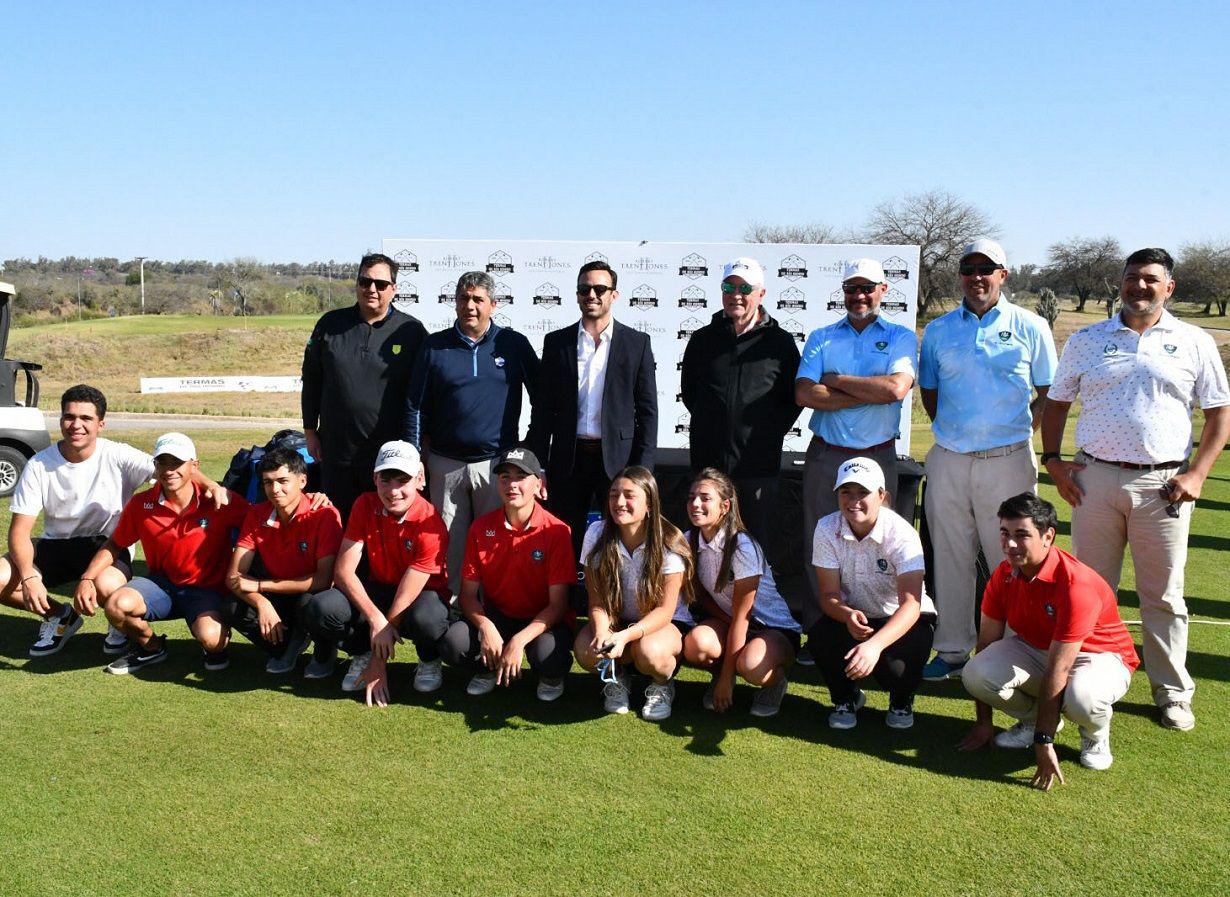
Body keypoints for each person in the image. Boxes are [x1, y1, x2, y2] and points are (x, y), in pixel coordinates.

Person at [1041, 247, 1229, 731]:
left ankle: (1171, 691)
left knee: (1163, 595)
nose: (1139, 286)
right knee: (1089, 592)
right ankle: (1080, 684)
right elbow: (1058, 403)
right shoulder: (1087, 339)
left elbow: (1218, 415)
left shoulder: (1193, 340)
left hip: (1163, 483)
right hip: (1094, 478)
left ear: (1169, 287)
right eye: (1131, 277)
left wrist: (1197, 475)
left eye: (1150, 279)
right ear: (1119, 283)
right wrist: (1054, 463)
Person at [917, 238, 1058, 682]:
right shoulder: (940, 330)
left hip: (1009, 461)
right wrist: (960, 436)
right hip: (950, 460)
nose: (977, 277)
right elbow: (931, 392)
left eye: (986, 268)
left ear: (1003, 274)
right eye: (969, 268)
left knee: (1014, 557)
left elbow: (1049, 393)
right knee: (951, 555)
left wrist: (1017, 436)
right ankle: (954, 649)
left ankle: (1015, 651)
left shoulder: (1031, 324)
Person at [3, 385, 225, 659]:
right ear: (61, 420)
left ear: (101, 424)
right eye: (69, 417)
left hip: (106, 546)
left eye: (86, 419)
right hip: (55, 544)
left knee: (108, 586)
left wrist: (211, 484)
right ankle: (60, 617)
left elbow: (172, 469)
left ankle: (119, 625)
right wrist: (28, 577)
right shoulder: (39, 464)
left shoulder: (118, 455)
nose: (76, 425)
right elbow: (19, 533)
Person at [959, 494, 1140, 785]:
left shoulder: (1075, 585)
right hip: (1037, 648)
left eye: (1022, 535)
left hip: (1098, 656)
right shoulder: (1003, 574)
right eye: (1005, 534)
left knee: (1081, 698)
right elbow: (986, 645)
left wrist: (1044, 743)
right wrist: (984, 723)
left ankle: (1095, 734)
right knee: (977, 672)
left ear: (1048, 536)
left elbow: (1060, 668)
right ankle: (1033, 721)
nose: (1010, 544)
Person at [795, 258, 916, 627]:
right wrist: (870, 390)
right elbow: (804, 393)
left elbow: (896, 388)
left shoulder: (900, 336)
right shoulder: (822, 336)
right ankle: (821, 628)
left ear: (883, 290)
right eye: (852, 289)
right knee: (821, 539)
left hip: (878, 455)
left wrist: (836, 380)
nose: (859, 295)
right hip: (828, 454)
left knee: (885, 542)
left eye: (867, 288)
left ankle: (884, 623)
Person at [403, 271, 540, 592]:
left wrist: (529, 453)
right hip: (444, 464)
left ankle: (491, 609)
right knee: (449, 543)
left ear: (493, 304)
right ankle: (453, 615)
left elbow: (543, 400)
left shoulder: (514, 344)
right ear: (455, 303)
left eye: (478, 299)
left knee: (494, 543)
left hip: (495, 466)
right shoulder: (434, 346)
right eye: (464, 298)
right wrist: (414, 459)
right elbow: (414, 406)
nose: (470, 306)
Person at [77, 433, 249, 674]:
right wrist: (87, 578)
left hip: (207, 590)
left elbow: (261, 522)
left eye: (176, 463)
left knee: (212, 640)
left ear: (194, 466)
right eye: (162, 462)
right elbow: (115, 544)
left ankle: (215, 642)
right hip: (162, 586)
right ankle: (151, 647)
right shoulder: (141, 504)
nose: (169, 470)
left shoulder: (220, 501)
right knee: (116, 606)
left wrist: (316, 500)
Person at [526, 259, 658, 570]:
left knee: (620, 539)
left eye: (600, 288)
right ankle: (567, 612)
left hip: (619, 461)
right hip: (568, 460)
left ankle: (615, 612)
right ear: (577, 295)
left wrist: (643, 471)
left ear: (615, 294)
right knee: (564, 538)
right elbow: (543, 409)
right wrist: (537, 465)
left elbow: (648, 412)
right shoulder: (557, 343)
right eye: (585, 289)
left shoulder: (636, 343)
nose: (592, 294)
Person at [299, 441, 451, 706]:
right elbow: (344, 571)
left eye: (402, 480)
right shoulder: (364, 504)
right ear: (374, 478)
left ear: (419, 479)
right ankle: (361, 654)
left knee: (428, 618)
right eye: (386, 479)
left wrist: (380, 663)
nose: (393, 490)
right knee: (322, 607)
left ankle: (428, 659)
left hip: (419, 595)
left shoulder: (431, 522)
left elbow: (408, 590)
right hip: (380, 587)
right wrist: (375, 619)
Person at [681, 257, 801, 589]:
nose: (737, 294)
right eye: (729, 287)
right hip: (709, 468)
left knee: (754, 552)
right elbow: (690, 393)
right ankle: (704, 621)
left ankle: (755, 626)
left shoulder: (780, 343)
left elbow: (792, 400)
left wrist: (763, 434)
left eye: (745, 288)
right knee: (706, 550)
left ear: (761, 293)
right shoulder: (703, 340)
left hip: (757, 468)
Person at [438, 447, 575, 701]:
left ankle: (550, 676)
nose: (512, 484)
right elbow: (468, 595)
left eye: (521, 477)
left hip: (541, 621)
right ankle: (488, 668)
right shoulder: (480, 527)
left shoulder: (557, 531)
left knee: (549, 657)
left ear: (538, 484)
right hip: (499, 616)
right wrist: (486, 627)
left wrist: (520, 640)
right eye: (505, 477)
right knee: (453, 643)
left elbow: (558, 605)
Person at [809, 457, 936, 730]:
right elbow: (829, 595)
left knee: (895, 671)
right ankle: (846, 698)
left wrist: (874, 646)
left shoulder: (902, 534)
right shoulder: (826, 528)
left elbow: (911, 605)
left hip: (901, 618)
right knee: (820, 636)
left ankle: (901, 699)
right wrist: (847, 615)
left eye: (863, 492)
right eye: (846, 492)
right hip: (857, 614)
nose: (854, 500)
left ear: (882, 496)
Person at [302, 252, 428, 520]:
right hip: (336, 450)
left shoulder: (412, 331)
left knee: (382, 526)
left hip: (387, 455)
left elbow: (420, 399)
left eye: (381, 284)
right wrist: (310, 430)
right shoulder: (330, 324)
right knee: (336, 523)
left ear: (393, 289)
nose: (372, 289)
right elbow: (311, 379)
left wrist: (415, 450)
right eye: (365, 281)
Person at [573, 467, 693, 721]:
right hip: (618, 620)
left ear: (649, 503)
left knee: (649, 651)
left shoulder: (669, 541)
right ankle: (618, 679)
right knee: (586, 649)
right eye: (614, 494)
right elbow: (596, 600)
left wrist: (625, 637)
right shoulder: (596, 532)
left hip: (662, 625)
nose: (619, 502)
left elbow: (665, 611)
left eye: (629, 495)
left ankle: (662, 684)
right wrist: (603, 631)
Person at [682, 468, 800, 718]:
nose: (695, 504)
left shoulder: (742, 547)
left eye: (705, 498)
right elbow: (702, 597)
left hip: (772, 628)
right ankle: (720, 674)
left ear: (725, 506)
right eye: (692, 497)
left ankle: (774, 682)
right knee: (696, 645)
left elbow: (742, 616)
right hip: (731, 622)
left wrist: (729, 680)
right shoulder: (687, 540)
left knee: (752, 666)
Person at [223, 448, 343, 674]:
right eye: (268, 482)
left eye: (282, 481)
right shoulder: (257, 514)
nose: (275, 489)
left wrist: (260, 586)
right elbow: (233, 577)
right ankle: (287, 646)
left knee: (316, 606)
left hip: (311, 593)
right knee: (231, 607)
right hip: (278, 594)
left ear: (302, 480)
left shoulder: (324, 513)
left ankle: (324, 652)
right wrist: (262, 603)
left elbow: (323, 580)